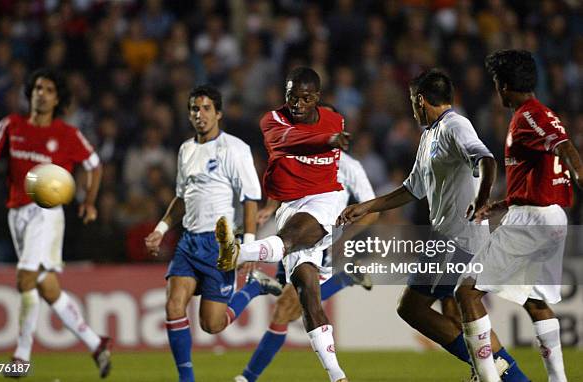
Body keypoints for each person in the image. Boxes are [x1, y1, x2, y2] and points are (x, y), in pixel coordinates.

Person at [337, 69, 529, 381]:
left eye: (413, 102)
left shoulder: (456, 125)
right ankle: (499, 370)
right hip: (443, 237)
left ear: (421, 100)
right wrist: (367, 206)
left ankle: (500, 372)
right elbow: (413, 188)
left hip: (460, 237)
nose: (413, 110)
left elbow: (486, 160)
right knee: (445, 312)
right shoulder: (429, 136)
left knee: (415, 308)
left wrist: (482, 200)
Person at [0, 68, 110, 378]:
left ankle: (21, 356)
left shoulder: (67, 134)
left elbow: (94, 165)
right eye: (37, 88)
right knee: (48, 288)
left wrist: (88, 201)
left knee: (25, 279)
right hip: (17, 213)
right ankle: (95, 342)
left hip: (46, 211)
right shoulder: (12, 125)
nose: (41, 93)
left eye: (48, 89)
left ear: (57, 98)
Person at [216, 67, 351, 382]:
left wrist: (333, 136)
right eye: (293, 97)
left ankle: (238, 253)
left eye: (305, 98)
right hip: (289, 206)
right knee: (307, 294)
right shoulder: (272, 121)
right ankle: (337, 375)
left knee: (288, 239)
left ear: (317, 97)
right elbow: (296, 142)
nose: (298, 105)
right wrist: (330, 139)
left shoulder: (337, 121)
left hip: (324, 202)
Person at [456, 49, 583, 382]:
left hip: (533, 220)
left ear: (504, 85)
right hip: (551, 216)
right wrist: (498, 204)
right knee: (535, 300)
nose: (496, 91)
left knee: (466, 292)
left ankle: (487, 377)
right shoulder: (542, 114)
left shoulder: (529, 115)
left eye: (497, 83)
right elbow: (535, 175)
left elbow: (567, 149)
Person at [144, 85, 282, 382]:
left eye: (206, 108)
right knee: (173, 305)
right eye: (195, 108)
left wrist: (246, 249)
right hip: (189, 241)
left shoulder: (234, 149)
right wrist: (161, 228)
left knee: (212, 325)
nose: (200, 114)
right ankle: (186, 379)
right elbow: (181, 198)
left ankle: (253, 288)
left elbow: (249, 199)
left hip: (220, 246)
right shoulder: (186, 150)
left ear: (218, 113)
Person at [234, 149, 375, 382]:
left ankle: (248, 377)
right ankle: (345, 278)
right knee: (287, 305)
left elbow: (370, 208)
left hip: (323, 236)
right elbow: (281, 186)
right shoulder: (300, 155)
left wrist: (346, 237)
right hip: (293, 228)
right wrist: (270, 208)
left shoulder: (350, 166)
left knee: (288, 307)